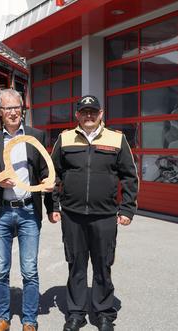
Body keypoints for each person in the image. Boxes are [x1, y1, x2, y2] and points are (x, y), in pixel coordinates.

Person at [49, 95, 139, 331]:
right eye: (84, 112)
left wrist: (127, 208)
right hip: (72, 215)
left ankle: (103, 314)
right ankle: (76, 313)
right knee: (76, 265)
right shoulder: (65, 138)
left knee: (102, 264)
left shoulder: (117, 139)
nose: (88, 116)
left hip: (105, 215)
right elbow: (53, 174)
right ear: (77, 115)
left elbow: (129, 176)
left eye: (93, 112)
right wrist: (53, 206)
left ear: (101, 114)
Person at [0, 89, 54, 331]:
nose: (12, 112)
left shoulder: (36, 136)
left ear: (22, 109)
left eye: (16, 107)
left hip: (28, 211)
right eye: (7, 108)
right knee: (0, 269)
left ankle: (29, 320)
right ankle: (2, 318)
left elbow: (46, 171)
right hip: (1, 211)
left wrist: (50, 186)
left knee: (29, 269)